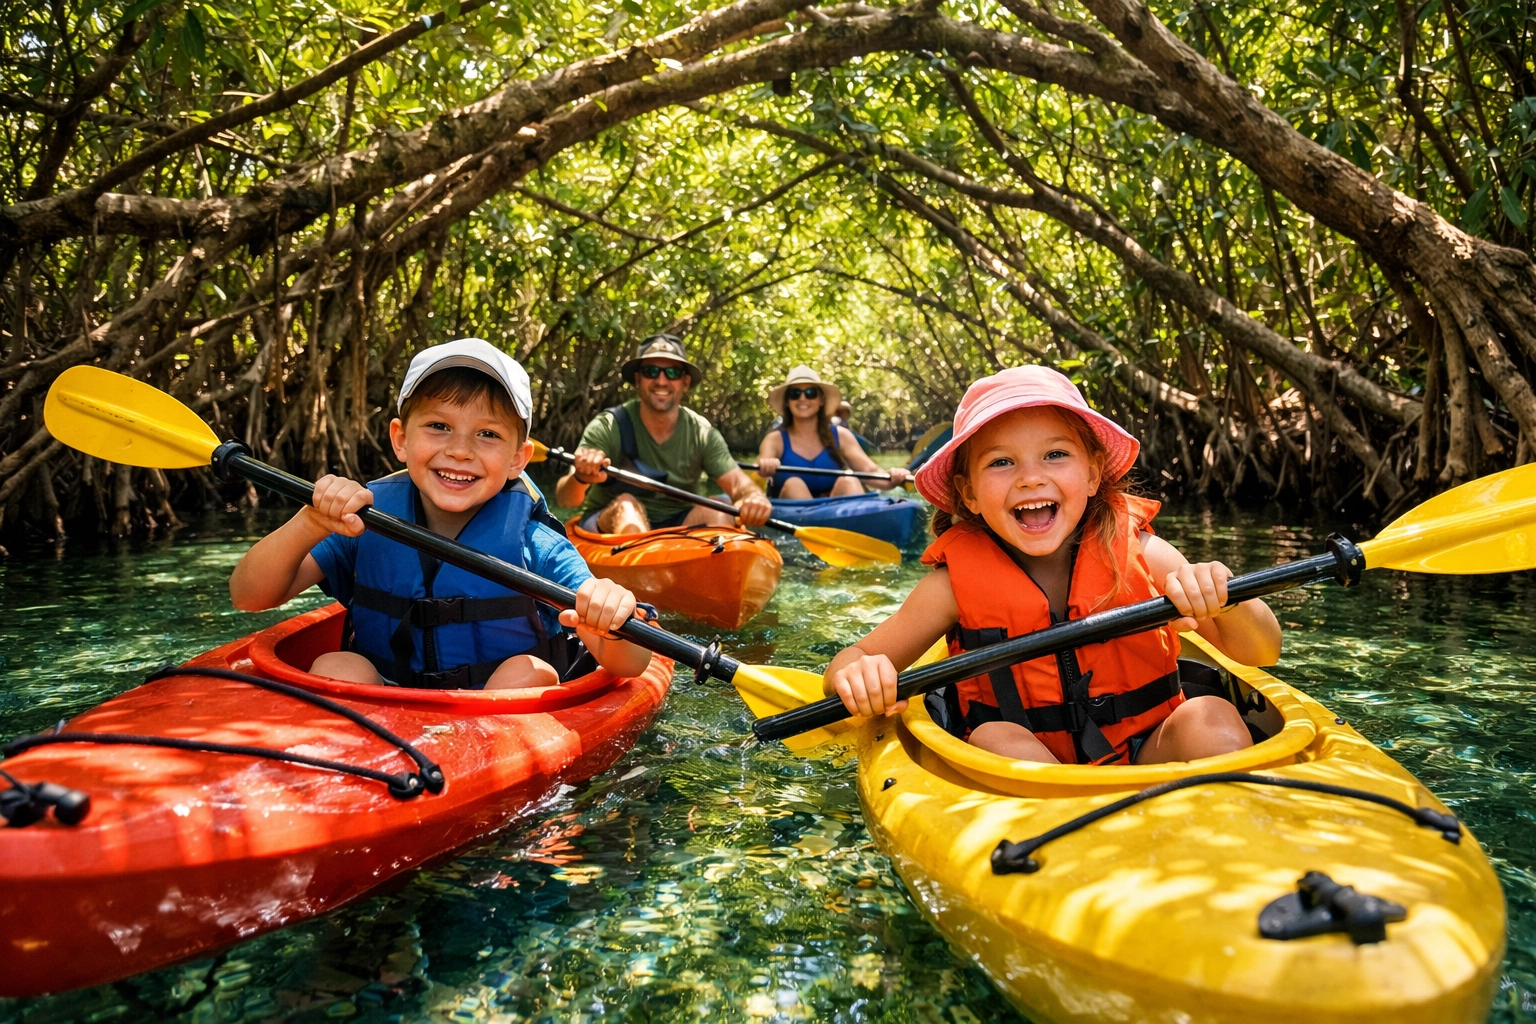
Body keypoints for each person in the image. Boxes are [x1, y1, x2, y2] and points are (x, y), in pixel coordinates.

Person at [821, 365, 1280, 765]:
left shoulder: (1143, 553)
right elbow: (853, 660)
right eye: (1001, 462)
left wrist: (1225, 596)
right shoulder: (950, 589)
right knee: (994, 736)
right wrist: (856, 674)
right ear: (969, 494)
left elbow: (1261, 652)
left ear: (1093, 472)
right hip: (1035, 780)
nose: (1031, 477)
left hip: (1150, 749)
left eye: (1055, 455)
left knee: (1212, 717)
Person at [230, 338, 652, 691]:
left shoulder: (535, 543)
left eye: (487, 434)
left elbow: (630, 664)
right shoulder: (361, 524)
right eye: (438, 426)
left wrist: (608, 617)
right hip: (386, 710)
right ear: (400, 439)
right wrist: (310, 522)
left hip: (501, 720)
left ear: (517, 460)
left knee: (527, 672)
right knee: (337, 666)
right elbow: (249, 596)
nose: (460, 450)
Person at [557, 334, 772, 535]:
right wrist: (581, 477)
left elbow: (738, 485)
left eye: (672, 373)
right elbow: (565, 499)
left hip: (676, 526)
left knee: (720, 511)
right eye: (652, 371)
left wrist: (753, 498)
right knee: (627, 505)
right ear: (638, 380)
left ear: (685, 382)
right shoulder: (608, 425)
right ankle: (636, 568)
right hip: (610, 525)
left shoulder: (702, 433)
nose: (661, 381)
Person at [755, 366, 911, 499]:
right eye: (795, 394)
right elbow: (759, 469)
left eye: (810, 393)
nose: (802, 398)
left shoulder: (841, 436)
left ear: (821, 400)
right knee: (794, 484)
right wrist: (766, 465)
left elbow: (870, 471)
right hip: (793, 513)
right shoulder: (774, 440)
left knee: (848, 479)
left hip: (833, 511)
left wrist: (893, 476)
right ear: (787, 402)